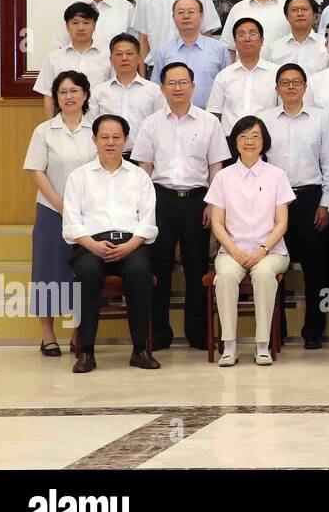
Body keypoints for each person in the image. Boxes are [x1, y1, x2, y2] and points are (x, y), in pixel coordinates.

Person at [132, 61, 231, 351]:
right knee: (159, 268)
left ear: (193, 86)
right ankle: (159, 334)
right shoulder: (151, 124)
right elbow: (143, 169)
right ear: (162, 88)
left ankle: (199, 334)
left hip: (197, 201)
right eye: (171, 83)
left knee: (196, 267)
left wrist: (213, 204)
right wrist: (144, 208)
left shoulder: (209, 122)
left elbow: (217, 167)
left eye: (183, 82)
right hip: (160, 199)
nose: (177, 88)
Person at [60, 114, 160, 373]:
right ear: (94, 140)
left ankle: (139, 350)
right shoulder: (79, 177)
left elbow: (148, 222)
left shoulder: (139, 176)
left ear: (126, 140)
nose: (110, 143)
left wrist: (130, 246)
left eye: (116, 137)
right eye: (104, 137)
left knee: (139, 272)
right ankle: (86, 352)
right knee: (88, 273)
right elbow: (71, 223)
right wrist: (92, 245)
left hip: (131, 244)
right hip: (90, 245)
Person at [206, 116, 295, 366]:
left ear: (264, 141)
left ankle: (262, 345)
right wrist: (234, 250)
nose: (249, 141)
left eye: (255, 136)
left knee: (265, 274)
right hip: (231, 251)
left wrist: (263, 249)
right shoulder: (223, 177)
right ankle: (229, 345)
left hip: (271, 251)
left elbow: (282, 223)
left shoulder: (276, 175)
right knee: (223, 276)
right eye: (243, 136)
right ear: (235, 142)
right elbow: (217, 224)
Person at [259, 64, 329, 350]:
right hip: (274, 201)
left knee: (318, 270)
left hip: (311, 199)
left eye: (296, 82)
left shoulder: (321, 118)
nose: (291, 87)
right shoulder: (264, 119)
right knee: (271, 266)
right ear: (277, 89)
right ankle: (274, 331)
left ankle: (314, 330)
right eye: (284, 83)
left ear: (305, 87)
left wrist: (325, 204)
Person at [23, 71, 97, 355]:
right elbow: (35, 170)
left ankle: (80, 334)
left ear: (85, 95)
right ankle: (48, 336)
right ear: (56, 98)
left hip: (90, 213)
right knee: (47, 272)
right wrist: (59, 203)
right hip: (52, 211)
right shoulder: (44, 131)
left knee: (83, 273)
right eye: (63, 92)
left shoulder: (96, 129)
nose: (69, 96)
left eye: (74, 90)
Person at [148, 0, 230, 110]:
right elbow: (157, 88)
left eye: (191, 12)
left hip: (210, 118)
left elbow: (228, 87)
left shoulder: (219, 49)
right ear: (173, 17)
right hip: (173, 118)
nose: (186, 16)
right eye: (180, 12)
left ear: (201, 16)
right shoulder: (164, 51)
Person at [35, 3, 113, 119]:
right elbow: (48, 95)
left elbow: (114, 92)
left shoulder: (108, 57)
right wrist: (51, 126)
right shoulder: (54, 58)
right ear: (67, 26)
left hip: (100, 126)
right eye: (75, 23)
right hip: (65, 126)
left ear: (94, 25)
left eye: (86, 22)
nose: (81, 27)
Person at [207, 18, 280, 133]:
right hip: (230, 141)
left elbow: (282, 110)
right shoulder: (224, 76)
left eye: (252, 34)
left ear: (262, 41)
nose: (247, 38)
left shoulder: (276, 73)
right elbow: (214, 114)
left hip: (267, 140)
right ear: (235, 42)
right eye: (241, 35)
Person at [94, 34, 163, 155]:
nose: (124, 58)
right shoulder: (99, 91)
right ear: (111, 59)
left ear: (139, 58)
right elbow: (92, 126)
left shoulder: (154, 90)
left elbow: (161, 126)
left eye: (129, 53)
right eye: (119, 54)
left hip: (144, 157)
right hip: (108, 156)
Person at [269, 0, 329, 75]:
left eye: (304, 9)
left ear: (315, 15)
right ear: (287, 17)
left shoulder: (326, 45)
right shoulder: (276, 47)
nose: (300, 14)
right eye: (294, 10)